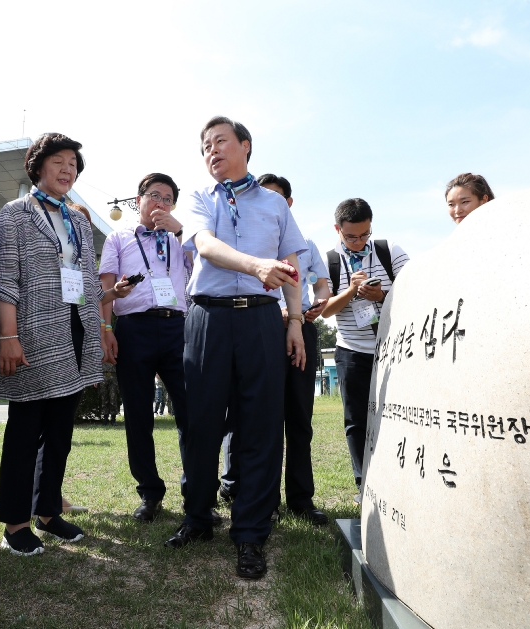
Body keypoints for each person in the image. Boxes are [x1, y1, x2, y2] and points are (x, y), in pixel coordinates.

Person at [165, 116, 307, 581]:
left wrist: (295, 323)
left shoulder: (275, 204)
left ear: (245, 146)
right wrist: (255, 265)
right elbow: (203, 244)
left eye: (220, 141)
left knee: (261, 424)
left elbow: (289, 265)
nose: (211, 151)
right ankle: (198, 517)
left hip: (263, 319)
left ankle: (250, 532)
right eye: (205, 146)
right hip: (208, 316)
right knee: (201, 420)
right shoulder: (200, 198)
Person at [0, 133, 132, 556]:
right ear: (37, 166)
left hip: (77, 330)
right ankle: (15, 523)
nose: (68, 168)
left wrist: (103, 323)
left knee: (59, 431)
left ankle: (48, 512)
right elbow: (5, 280)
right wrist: (9, 336)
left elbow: (86, 279)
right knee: (24, 430)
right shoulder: (16, 213)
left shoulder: (78, 218)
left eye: (73, 162)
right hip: (33, 333)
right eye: (58, 161)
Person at [219, 173, 332, 526]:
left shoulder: (307, 245)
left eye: (275, 197)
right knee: (253, 417)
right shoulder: (240, 239)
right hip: (260, 331)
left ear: (288, 204)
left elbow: (323, 287)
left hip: (302, 330)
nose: (267, 202)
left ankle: (301, 498)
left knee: (299, 417)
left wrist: (309, 310)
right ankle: (250, 491)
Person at [99, 173, 190, 523]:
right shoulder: (118, 238)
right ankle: (149, 492)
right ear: (138, 200)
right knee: (137, 415)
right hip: (133, 328)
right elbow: (106, 285)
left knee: (190, 412)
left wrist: (180, 231)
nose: (161, 203)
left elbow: (204, 269)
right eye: (154, 195)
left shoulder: (183, 238)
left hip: (177, 327)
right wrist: (107, 329)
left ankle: (195, 490)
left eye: (168, 198)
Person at [321, 199, 409, 504]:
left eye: (365, 235)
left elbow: (414, 290)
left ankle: (399, 480)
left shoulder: (389, 251)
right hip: (351, 352)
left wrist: (382, 294)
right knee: (356, 420)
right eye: (351, 237)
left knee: (399, 415)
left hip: (394, 349)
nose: (359, 242)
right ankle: (364, 484)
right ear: (338, 230)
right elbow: (324, 312)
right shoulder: (329, 261)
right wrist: (349, 291)